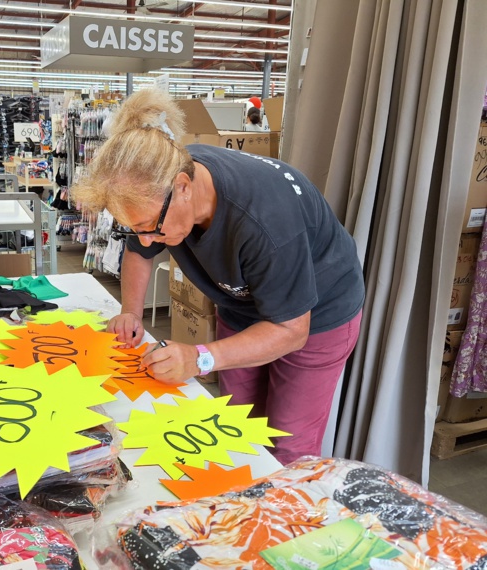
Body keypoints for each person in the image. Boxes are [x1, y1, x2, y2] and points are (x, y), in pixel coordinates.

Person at [71, 89, 364, 465]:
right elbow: (140, 252)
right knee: (233, 423)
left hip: (318, 314)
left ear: (183, 188)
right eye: (134, 229)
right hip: (242, 304)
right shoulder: (157, 185)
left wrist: (199, 357)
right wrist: (131, 311)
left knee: (288, 442)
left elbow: (292, 330)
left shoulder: (265, 220)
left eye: (150, 228)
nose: (146, 240)